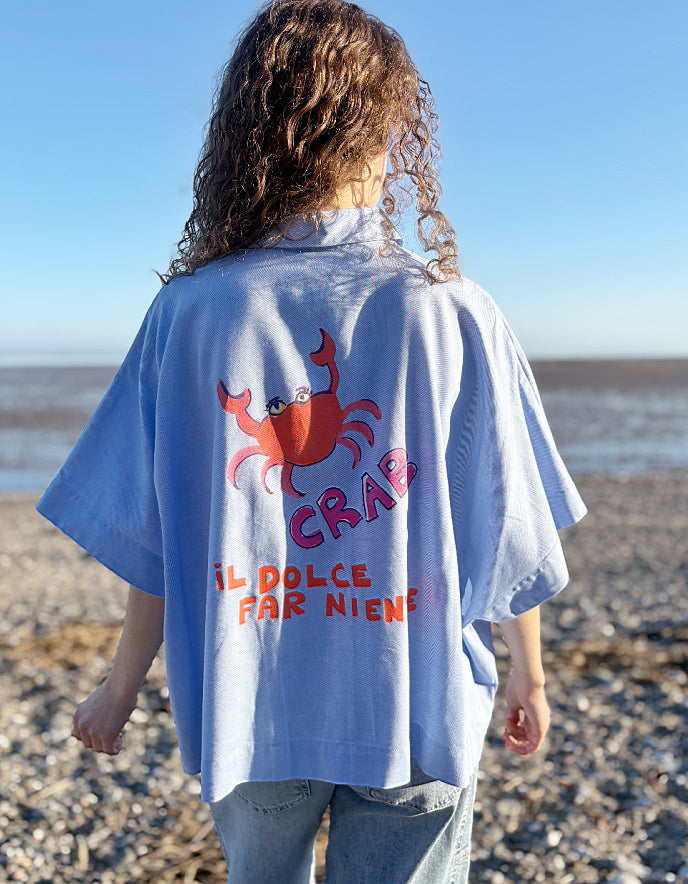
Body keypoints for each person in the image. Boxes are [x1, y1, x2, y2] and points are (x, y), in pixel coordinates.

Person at [37, 1, 586, 881]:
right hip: (412, 704)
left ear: (248, 135)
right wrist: (531, 671)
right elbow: (503, 521)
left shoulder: (190, 314)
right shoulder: (455, 312)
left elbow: (158, 536)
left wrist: (121, 683)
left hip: (254, 711)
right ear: (393, 133)